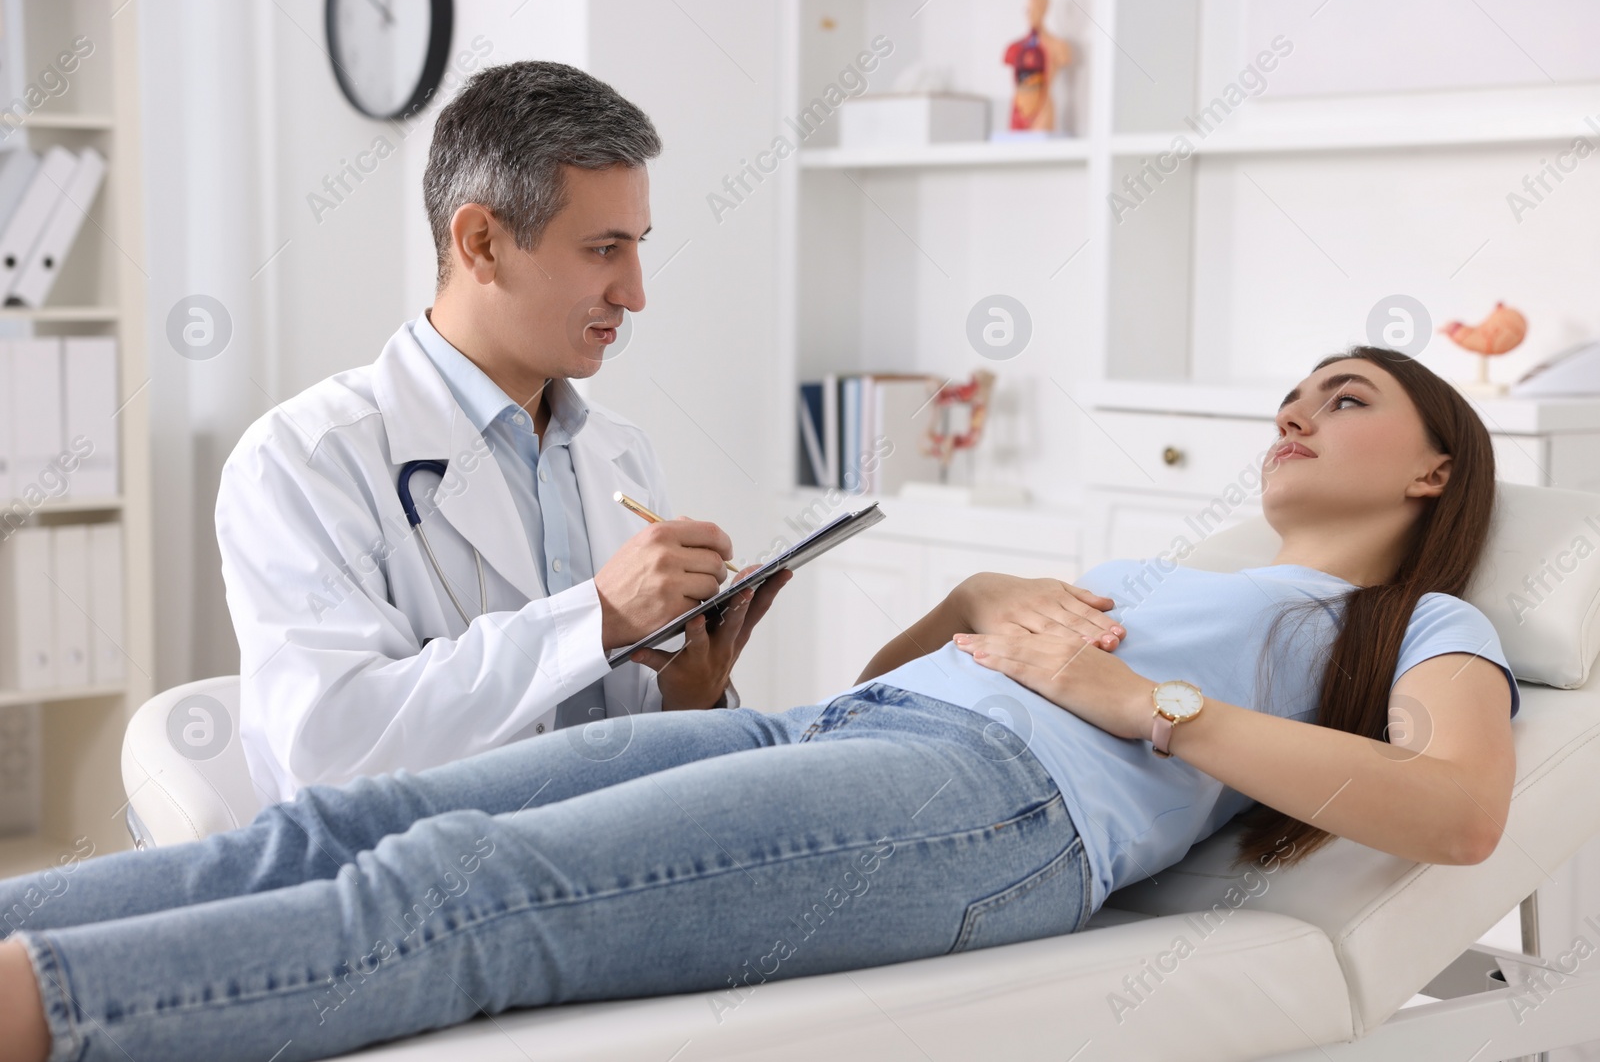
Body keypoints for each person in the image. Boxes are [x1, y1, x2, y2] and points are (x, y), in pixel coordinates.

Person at [0, 349, 1519, 1061]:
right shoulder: (1172, 562)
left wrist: (1143, 699)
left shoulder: (1419, 622)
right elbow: (881, 687)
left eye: (1345, 398)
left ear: (1434, 468)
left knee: (470, 890)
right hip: (854, 737)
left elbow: (1462, 813)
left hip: (1000, 811)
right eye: (1294, 394)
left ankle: (41, 1014)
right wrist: (982, 593)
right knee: (350, 816)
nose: (1293, 413)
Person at [214, 61, 790, 804]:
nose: (635, 293)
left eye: (639, 244)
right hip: (422, 894)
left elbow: (596, 730)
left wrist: (688, 697)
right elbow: (328, 750)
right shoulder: (301, 461)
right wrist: (598, 615)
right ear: (482, 242)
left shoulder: (619, 450)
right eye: (604, 248)